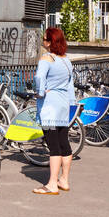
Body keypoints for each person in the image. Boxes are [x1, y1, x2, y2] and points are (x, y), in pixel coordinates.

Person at [32, 26, 75, 194]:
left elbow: (39, 77)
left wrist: (40, 93)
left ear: (50, 43)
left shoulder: (46, 58)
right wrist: (72, 102)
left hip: (50, 107)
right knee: (64, 142)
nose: (42, 41)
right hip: (64, 106)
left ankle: (51, 183)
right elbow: (70, 84)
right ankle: (64, 179)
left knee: (53, 146)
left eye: (44, 39)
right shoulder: (66, 60)